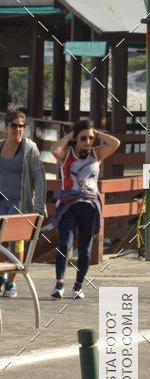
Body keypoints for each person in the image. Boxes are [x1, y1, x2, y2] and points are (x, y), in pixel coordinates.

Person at [48, 119, 120, 299]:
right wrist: (70, 135)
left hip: (89, 206)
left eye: (90, 138)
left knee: (85, 247)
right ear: (76, 139)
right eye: (83, 138)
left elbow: (115, 143)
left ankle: (78, 285)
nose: (88, 142)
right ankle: (59, 284)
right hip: (69, 206)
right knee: (65, 243)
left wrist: (97, 133)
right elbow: (54, 150)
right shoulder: (67, 155)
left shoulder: (97, 154)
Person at [0, 107, 46, 298]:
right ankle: (2, 275)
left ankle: (11, 283)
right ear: (5, 126)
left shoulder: (29, 149)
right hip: (1, 202)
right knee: (0, 243)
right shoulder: (0, 146)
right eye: (14, 125)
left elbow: (40, 178)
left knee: (16, 243)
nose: (18, 129)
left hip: (19, 203)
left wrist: (39, 207)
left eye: (22, 126)